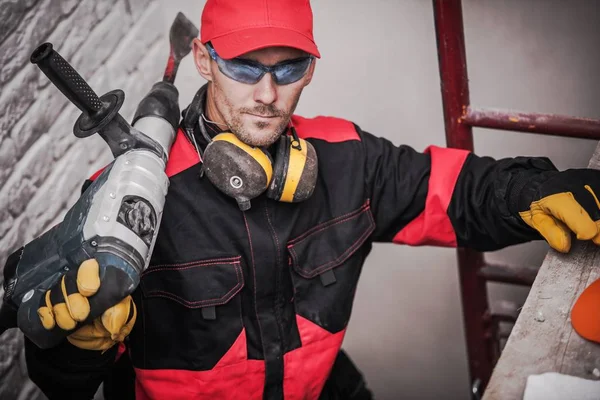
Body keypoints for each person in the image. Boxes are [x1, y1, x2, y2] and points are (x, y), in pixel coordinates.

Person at [22, 0, 600, 399]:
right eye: (245, 67)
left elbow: (456, 191)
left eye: (288, 68)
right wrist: (77, 349)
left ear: (311, 68)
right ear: (203, 59)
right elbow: (60, 381)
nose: (269, 95)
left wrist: (531, 190)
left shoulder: (348, 157)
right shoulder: (131, 199)